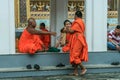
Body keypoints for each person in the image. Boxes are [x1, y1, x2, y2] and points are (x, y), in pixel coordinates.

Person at [62, 11, 88, 76]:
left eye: (74, 16)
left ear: (76, 16)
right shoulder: (81, 22)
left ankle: (83, 68)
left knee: (74, 55)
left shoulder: (77, 22)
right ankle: (75, 72)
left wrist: (66, 29)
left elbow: (71, 31)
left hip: (78, 39)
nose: (74, 17)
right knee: (76, 55)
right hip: (78, 39)